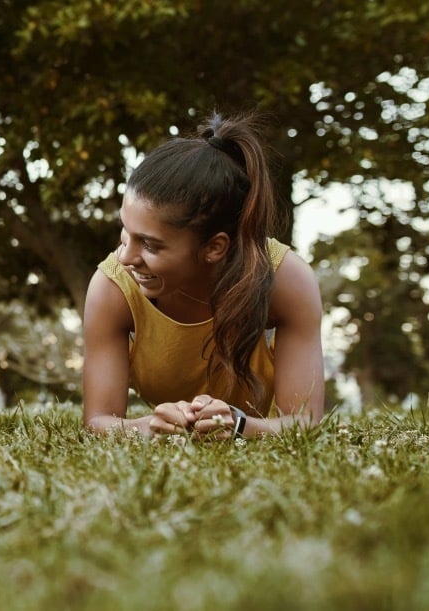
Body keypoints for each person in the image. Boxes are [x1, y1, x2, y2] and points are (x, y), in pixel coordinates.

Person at [82, 113, 325, 439]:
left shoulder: (286, 279)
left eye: (150, 245)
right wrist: (149, 427)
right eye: (126, 233)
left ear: (214, 248)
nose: (125, 257)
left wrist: (239, 425)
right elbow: (97, 420)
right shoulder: (112, 287)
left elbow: (304, 423)